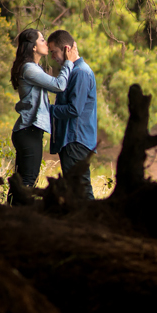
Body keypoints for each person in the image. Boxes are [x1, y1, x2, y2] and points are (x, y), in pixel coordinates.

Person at [9, 29, 73, 204]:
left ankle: (10, 214)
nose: (46, 44)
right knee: (29, 180)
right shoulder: (29, 68)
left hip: (28, 131)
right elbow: (59, 85)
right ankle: (20, 219)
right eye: (43, 40)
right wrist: (68, 62)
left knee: (21, 181)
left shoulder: (33, 68)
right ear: (34, 47)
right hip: (28, 132)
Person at [47, 29, 98, 199]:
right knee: (74, 189)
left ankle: (93, 223)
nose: (52, 57)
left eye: (54, 52)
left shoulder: (80, 72)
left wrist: (47, 109)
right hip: (71, 140)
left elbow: (74, 110)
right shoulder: (72, 72)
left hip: (75, 141)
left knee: (81, 189)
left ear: (67, 49)